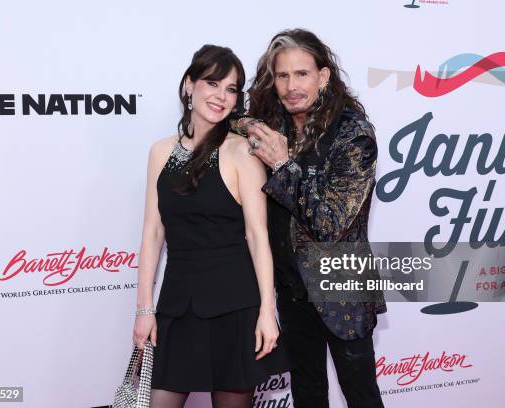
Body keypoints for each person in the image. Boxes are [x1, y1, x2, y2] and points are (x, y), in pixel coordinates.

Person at [232, 29, 387, 408]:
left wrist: (281, 165)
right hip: (291, 289)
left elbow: (330, 223)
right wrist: (250, 126)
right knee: (308, 393)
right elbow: (231, 118)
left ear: (323, 76)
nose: (290, 86)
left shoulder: (354, 135)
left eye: (301, 74)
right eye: (282, 76)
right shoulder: (275, 122)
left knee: (361, 395)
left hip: (341, 289)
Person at [132, 44, 288, 408]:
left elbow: (257, 236)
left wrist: (267, 311)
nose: (221, 96)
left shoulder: (241, 153)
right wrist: (144, 309)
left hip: (235, 307)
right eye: (212, 83)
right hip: (177, 304)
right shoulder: (161, 152)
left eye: (231, 89)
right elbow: (153, 233)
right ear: (189, 85)